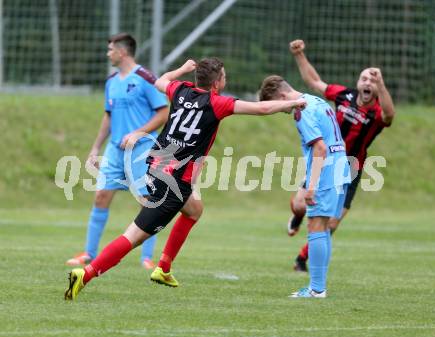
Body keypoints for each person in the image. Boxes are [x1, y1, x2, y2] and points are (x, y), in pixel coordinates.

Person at [64, 57, 307, 300]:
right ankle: (85, 274)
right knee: (133, 237)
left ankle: (164, 268)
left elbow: (161, 81)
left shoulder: (180, 90)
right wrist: (297, 101)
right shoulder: (217, 103)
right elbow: (262, 109)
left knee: (194, 210)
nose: (226, 79)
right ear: (217, 83)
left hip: (157, 167)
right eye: (224, 76)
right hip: (173, 184)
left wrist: (181, 69)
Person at [287, 39, 396, 272]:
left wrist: (382, 83)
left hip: (350, 168)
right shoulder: (343, 96)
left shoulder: (377, 113)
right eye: (365, 78)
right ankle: (297, 217)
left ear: (378, 88)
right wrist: (299, 55)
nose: (368, 82)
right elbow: (314, 82)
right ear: (358, 83)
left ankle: (302, 259)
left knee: (332, 221)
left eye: (373, 80)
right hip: (324, 160)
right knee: (299, 205)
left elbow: (389, 115)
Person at [65, 33, 169, 271]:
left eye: (111, 49)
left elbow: (163, 113)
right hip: (115, 151)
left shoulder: (145, 78)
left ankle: (147, 257)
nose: (108, 53)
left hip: (141, 150)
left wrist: (137, 133)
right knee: (101, 195)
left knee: (148, 202)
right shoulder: (111, 81)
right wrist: (95, 147)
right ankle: (89, 254)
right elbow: (108, 116)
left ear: (122, 52)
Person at [259, 75, 350, 298]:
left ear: (281, 96)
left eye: (275, 105)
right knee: (324, 227)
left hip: (327, 173)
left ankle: (316, 289)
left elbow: (320, 148)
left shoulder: (302, 110)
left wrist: (311, 185)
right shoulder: (317, 101)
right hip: (342, 168)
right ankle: (318, 287)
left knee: (315, 227)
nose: (279, 110)